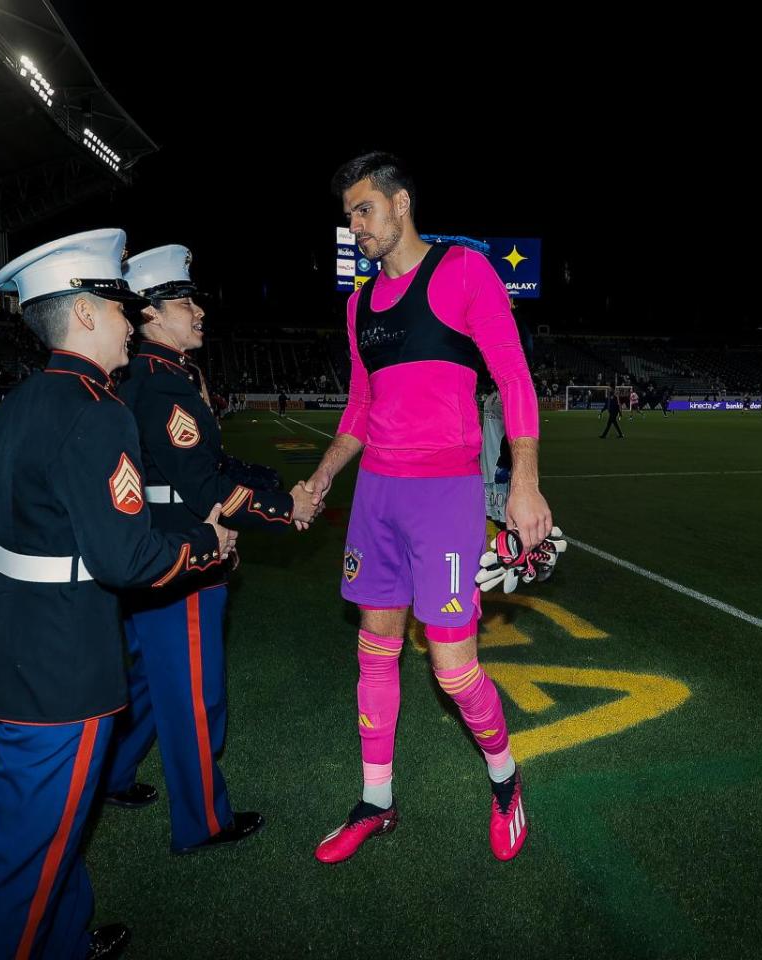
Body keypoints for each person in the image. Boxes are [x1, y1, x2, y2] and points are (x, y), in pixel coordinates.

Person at [0, 228, 236, 960]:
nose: (131, 319)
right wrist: (207, 544)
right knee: (24, 857)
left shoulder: (21, 401)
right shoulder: (97, 413)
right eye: (117, 305)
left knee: (52, 828)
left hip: (7, 637)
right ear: (83, 315)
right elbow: (128, 557)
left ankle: (64, 939)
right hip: (61, 663)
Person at [303, 152, 552, 864]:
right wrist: (322, 477)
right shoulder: (357, 306)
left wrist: (525, 479)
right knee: (374, 647)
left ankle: (505, 780)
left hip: (445, 495)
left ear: (401, 202)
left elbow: (511, 374)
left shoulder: (464, 273)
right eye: (348, 216)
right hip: (376, 497)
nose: (355, 227)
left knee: (451, 668)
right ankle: (377, 801)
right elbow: (359, 406)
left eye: (364, 210)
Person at [103, 244, 319, 853]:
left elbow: (205, 463)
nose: (198, 310)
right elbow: (201, 486)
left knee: (148, 682)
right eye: (183, 301)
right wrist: (286, 508)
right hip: (182, 562)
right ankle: (202, 822)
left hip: (155, 556)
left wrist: (264, 479)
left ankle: (114, 777)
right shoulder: (164, 385)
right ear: (149, 314)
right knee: (195, 697)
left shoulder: (159, 377)